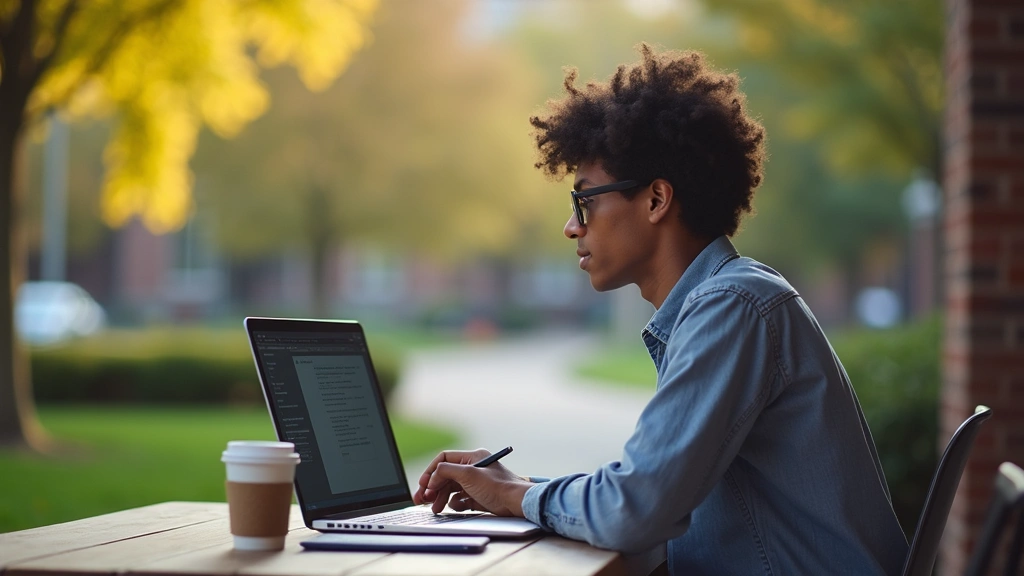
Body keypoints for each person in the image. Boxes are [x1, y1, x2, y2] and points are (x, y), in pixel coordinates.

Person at [412, 44, 908, 575]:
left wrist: (517, 498)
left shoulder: (730, 307)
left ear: (655, 200)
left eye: (585, 201)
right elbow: (642, 490)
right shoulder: (732, 297)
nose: (571, 227)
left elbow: (635, 510)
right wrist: (519, 487)